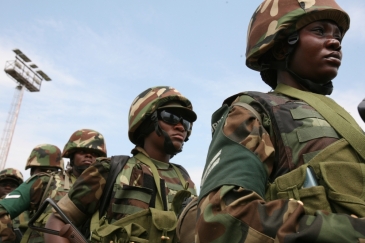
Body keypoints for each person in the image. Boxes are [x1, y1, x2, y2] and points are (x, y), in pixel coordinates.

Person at [196, 1, 365, 242]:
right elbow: (223, 217)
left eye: (338, 36)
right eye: (319, 31)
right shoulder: (254, 110)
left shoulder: (345, 122)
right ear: (280, 48)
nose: (335, 42)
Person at [45, 86, 198, 243]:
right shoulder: (111, 169)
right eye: (170, 116)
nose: (180, 126)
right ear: (146, 121)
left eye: (186, 122)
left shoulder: (186, 181)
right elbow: (57, 222)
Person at [0, 129, 107, 243]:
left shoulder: (108, 188)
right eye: (82, 152)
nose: (89, 155)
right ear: (71, 156)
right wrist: (9, 239)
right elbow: (2, 208)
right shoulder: (46, 181)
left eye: (95, 153)